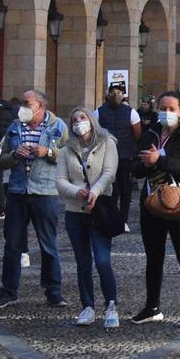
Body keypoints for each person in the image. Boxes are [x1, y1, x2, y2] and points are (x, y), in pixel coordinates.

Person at [130, 91, 180, 327]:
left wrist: (159, 161)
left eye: (172, 108)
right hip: (152, 203)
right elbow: (136, 166)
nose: (167, 112)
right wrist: (143, 164)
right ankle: (151, 306)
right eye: (163, 107)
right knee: (154, 257)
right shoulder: (151, 133)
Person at [0, 88, 67, 310]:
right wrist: (14, 155)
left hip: (45, 191)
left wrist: (48, 153)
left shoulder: (58, 126)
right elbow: (1, 159)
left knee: (48, 244)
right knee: (13, 244)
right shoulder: (14, 127)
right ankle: (8, 291)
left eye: (27, 103)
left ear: (41, 106)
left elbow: (70, 155)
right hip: (17, 191)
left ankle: (53, 291)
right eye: (22, 103)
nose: (22, 107)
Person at [56, 107, 121, 328]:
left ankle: (111, 305)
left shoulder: (107, 143)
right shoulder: (66, 150)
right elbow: (60, 180)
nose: (78, 123)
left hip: (100, 209)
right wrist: (77, 192)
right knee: (82, 261)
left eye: (82, 118)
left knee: (102, 260)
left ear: (91, 121)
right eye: (74, 120)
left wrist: (95, 191)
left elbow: (110, 172)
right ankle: (88, 306)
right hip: (75, 212)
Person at [94, 81, 141, 227]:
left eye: (119, 92)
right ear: (107, 94)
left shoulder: (131, 112)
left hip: (125, 156)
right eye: (113, 92)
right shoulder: (98, 112)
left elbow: (137, 133)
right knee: (110, 189)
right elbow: (95, 132)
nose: (116, 95)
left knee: (126, 190)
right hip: (106, 156)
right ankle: (111, 217)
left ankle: (124, 219)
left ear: (123, 95)